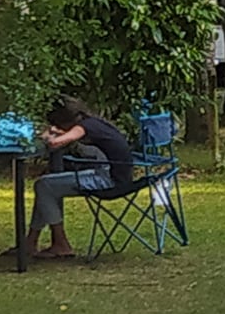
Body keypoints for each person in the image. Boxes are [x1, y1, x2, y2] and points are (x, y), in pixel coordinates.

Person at [12, 97, 135, 260]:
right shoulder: (93, 122)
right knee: (47, 186)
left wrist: (48, 136)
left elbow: (56, 144)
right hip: (119, 175)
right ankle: (30, 242)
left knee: (44, 185)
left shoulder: (83, 127)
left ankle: (61, 244)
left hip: (109, 180)